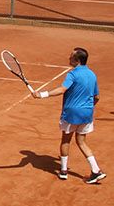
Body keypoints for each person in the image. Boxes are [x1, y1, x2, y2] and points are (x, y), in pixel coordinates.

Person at [33, 46, 107, 184]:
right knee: (82, 141)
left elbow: (62, 89)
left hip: (71, 114)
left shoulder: (72, 74)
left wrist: (41, 95)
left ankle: (63, 171)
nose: (69, 58)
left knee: (66, 140)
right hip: (87, 114)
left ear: (77, 60)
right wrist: (87, 108)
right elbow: (97, 97)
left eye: (71, 56)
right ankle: (96, 170)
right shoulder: (92, 74)